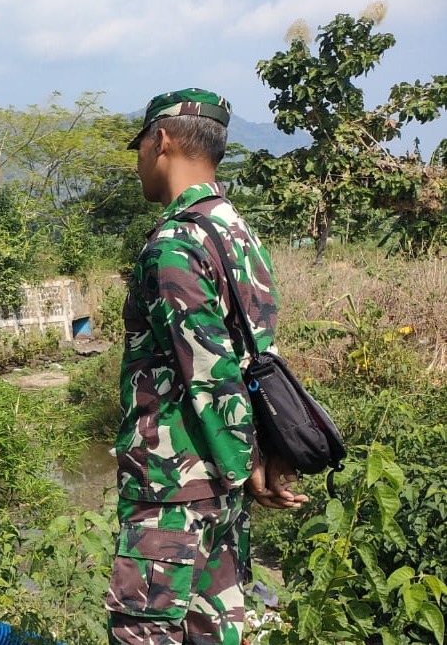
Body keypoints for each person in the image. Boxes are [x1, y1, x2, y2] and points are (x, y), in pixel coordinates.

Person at [107, 89, 308, 644]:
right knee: (211, 631)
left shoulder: (174, 241)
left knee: (144, 632)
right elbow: (253, 358)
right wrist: (253, 464)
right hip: (219, 490)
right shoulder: (236, 231)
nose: (139, 162)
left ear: (162, 140)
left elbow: (210, 372)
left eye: (140, 147)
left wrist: (247, 467)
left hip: (174, 485)